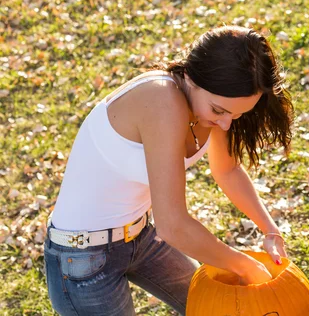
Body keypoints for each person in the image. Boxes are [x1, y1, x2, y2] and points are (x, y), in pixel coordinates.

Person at [44, 26, 294, 315]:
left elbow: (226, 171)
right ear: (191, 77)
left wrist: (270, 230)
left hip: (140, 237)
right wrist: (245, 265)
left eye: (237, 115)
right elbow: (173, 224)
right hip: (81, 259)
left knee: (217, 308)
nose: (226, 124)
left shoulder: (214, 104)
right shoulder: (161, 100)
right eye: (220, 111)